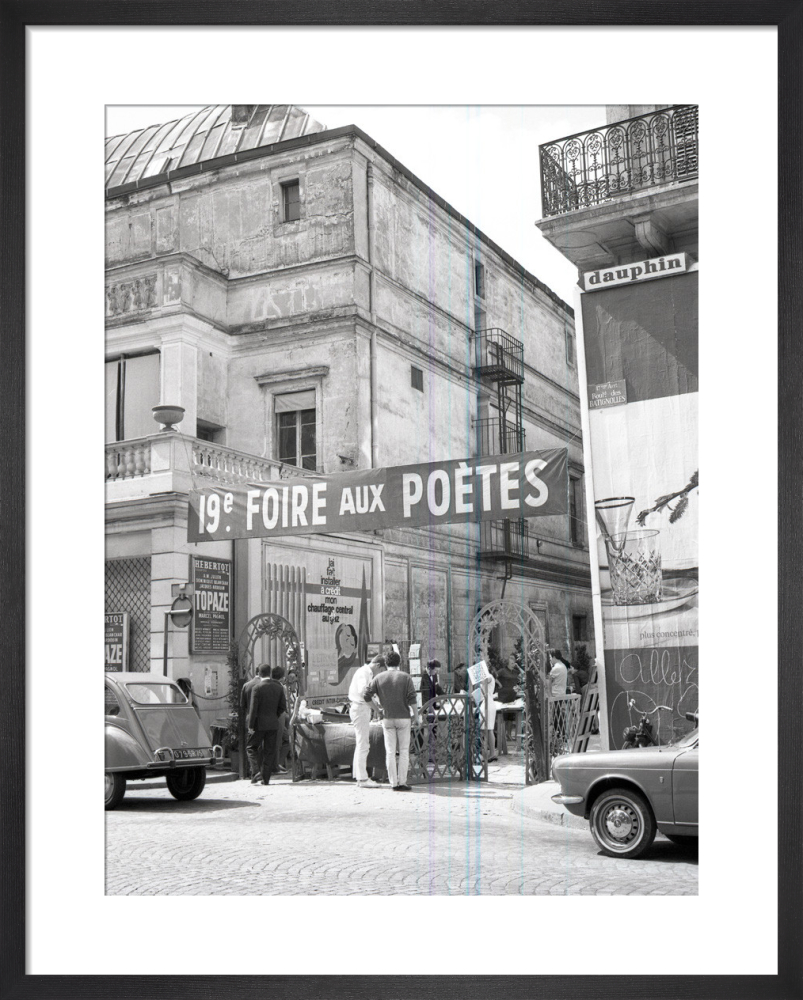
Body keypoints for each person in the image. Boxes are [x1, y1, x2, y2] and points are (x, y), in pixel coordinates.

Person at [365, 651, 418, 791]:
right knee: (404, 751)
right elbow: (412, 698)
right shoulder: (405, 677)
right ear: (399, 662)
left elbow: (366, 695)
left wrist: (377, 710)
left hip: (387, 718)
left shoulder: (378, 678)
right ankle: (402, 782)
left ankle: (393, 783)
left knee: (390, 752)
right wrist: (417, 716)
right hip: (404, 717)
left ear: (386, 663)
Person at [348, 653, 386, 788]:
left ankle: (359, 776)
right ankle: (363, 778)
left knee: (361, 743)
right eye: (381, 671)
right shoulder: (363, 672)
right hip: (360, 708)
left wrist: (377, 705)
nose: (380, 674)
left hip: (362, 709)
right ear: (378, 665)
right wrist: (377, 710)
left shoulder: (367, 673)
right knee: (363, 744)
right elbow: (365, 695)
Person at [246, 664, 287, 785]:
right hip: (273, 724)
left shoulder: (257, 688)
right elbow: (282, 707)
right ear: (270, 673)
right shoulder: (278, 688)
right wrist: (274, 716)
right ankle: (265, 779)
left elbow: (253, 709)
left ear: (259, 674)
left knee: (251, 748)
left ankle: (256, 771)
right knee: (269, 751)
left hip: (259, 724)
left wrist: (251, 726)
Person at [271, 665, 289, 774]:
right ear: (281, 677)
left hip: (272, 717)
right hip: (279, 717)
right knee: (278, 742)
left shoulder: (267, 685)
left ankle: (278, 763)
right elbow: (282, 705)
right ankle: (276, 767)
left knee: (286, 739)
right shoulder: (281, 687)